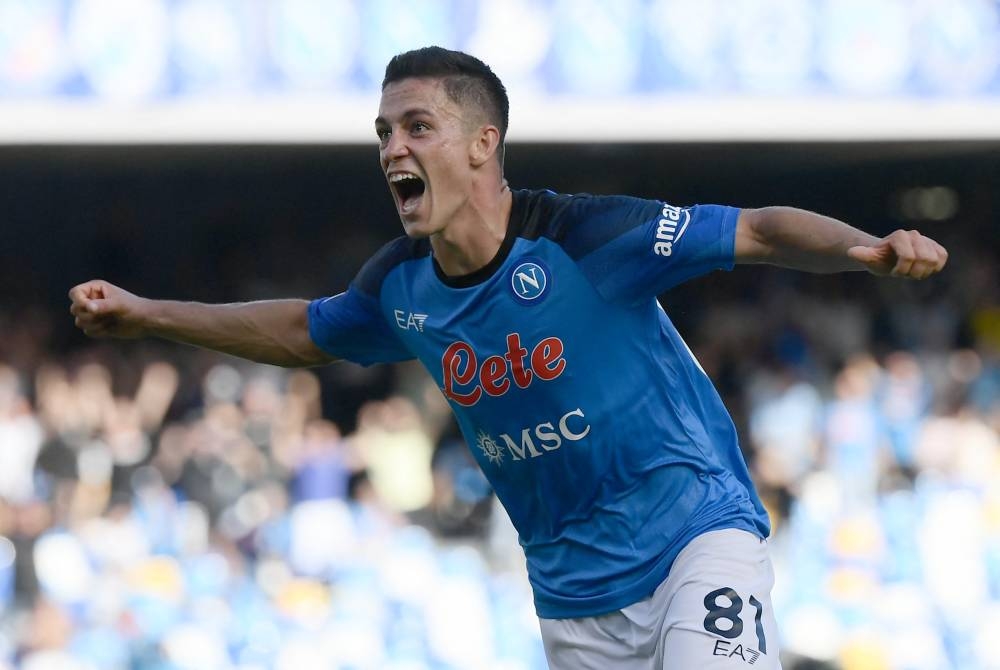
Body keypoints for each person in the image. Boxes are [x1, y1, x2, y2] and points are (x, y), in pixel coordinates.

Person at [69, 46, 948, 669]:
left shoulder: (587, 238)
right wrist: (149, 315)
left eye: (417, 126)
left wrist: (865, 249)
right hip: (572, 598)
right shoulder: (402, 287)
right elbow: (303, 331)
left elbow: (756, 230)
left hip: (695, 540)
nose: (392, 149)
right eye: (383, 132)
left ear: (483, 143)